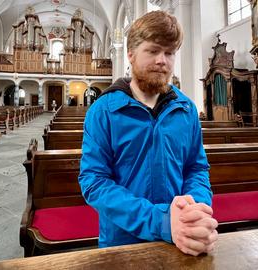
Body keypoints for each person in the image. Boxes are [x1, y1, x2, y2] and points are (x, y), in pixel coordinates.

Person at [78, 10, 218, 256]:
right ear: (131, 55)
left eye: (170, 52)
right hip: (123, 242)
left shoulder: (186, 109)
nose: (162, 60)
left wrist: (194, 211)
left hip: (181, 239)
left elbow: (196, 169)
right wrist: (163, 221)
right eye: (153, 51)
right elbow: (95, 183)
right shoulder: (103, 111)